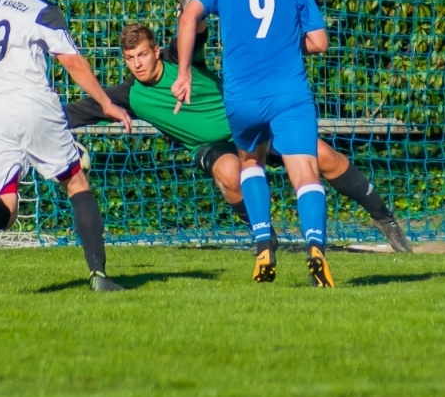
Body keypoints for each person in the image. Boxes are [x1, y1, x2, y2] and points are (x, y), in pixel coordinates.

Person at [63, 19, 413, 252]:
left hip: (249, 125)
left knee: (324, 157)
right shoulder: (128, 95)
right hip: (211, 146)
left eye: (142, 54)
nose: (137, 63)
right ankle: (267, 240)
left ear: (155, 51)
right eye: (129, 58)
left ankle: (385, 219)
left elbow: (198, 32)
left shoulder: (179, 60)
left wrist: (193, 14)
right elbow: (76, 113)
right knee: (231, 174)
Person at [0, 0, 132, 292]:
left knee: (7, 204)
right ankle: (99, 275)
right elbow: (72, 61)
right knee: (76, 181)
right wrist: (106, 103)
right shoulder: (41, 9)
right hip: (31, 103)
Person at [173, 0, 336, 287]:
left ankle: (263, 241)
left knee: (250, 160)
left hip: (243, 96)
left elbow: (188, 19)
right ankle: (316, 249)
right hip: (289, 94)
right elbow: (319, 43)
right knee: (306, 173)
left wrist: (183, 74)